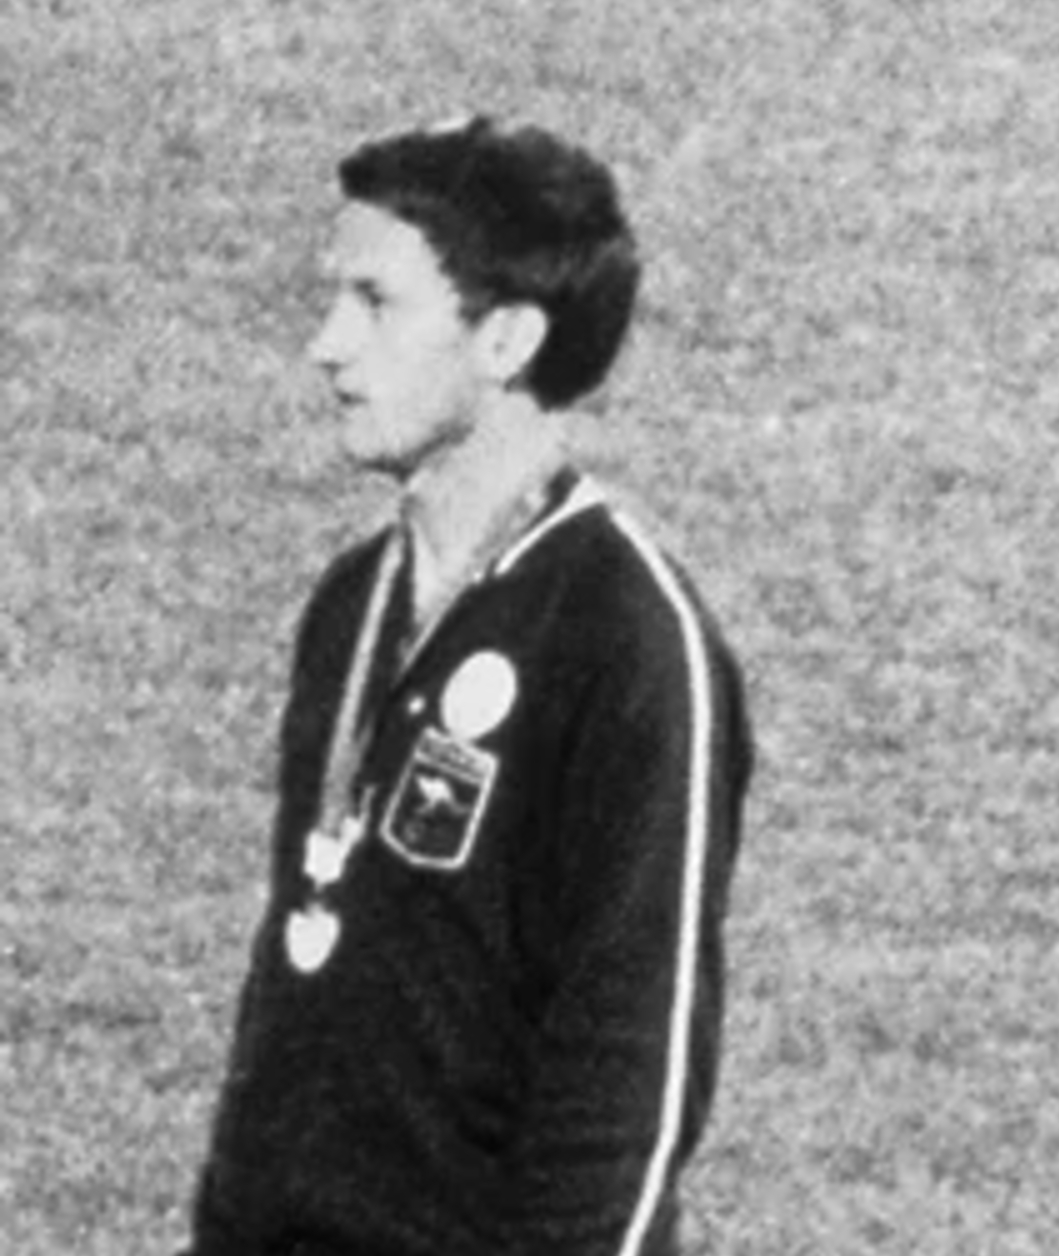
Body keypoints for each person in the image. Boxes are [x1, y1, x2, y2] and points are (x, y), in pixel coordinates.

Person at [185, 118, 755, 1256]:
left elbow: (629, 1083)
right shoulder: (354, 601)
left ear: (504, 341)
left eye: (376, 303)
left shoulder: (630, 644)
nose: (326, 345)